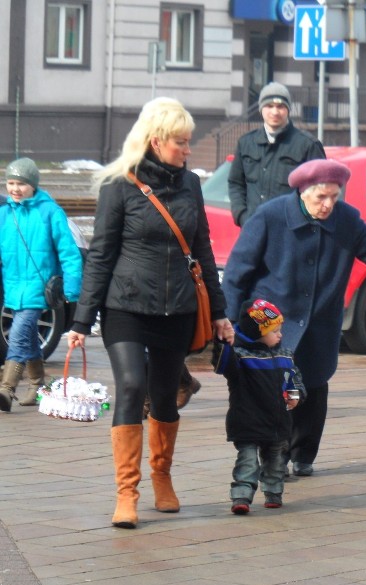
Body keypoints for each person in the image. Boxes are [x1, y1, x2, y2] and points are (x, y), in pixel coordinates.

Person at [67, 97, 233, 529]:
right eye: (181, 142)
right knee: (130, 383)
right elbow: (101, 255)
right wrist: (82, 321)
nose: (187, 149)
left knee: (163, 393)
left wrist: (219, 312)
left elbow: (202, 251)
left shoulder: (191, 186)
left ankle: (162, 477)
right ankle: (127, 492)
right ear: (156, 141)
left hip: (176, 307)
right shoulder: (120, 186)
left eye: (188, 141)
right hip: (125, 305)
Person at [222, 158, 366, 478]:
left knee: (314, 387)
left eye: (334, 196)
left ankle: (303, 454)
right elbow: (236, 272)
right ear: (302, 192)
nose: (328, 204)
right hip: (270, 318)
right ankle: (275, 455)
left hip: (319, 322)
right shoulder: (270, 216)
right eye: (321, 197)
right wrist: (230, 321)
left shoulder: (347, 219)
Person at [0, 158, 83, 411]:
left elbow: (69, 252)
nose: (14, 189)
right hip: (13, 286)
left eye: (21, 184)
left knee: (18, 333)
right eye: (10, 183)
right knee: (28, 336)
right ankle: (38, 384)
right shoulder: (5, 213)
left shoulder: (50, 212)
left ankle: (6, 389)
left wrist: (72, 289)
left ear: (33, 185)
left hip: (39, 286)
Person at [212, 298, 305, 515]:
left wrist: (295, 396)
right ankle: (241, 496)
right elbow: (222, 365)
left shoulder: (285, 355)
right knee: (247, 462)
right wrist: (223, 343)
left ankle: (274, 493)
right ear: (258, 333)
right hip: (247, 422)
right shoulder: (240, 357)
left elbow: (295, 379)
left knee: (276, 462)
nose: (280, 335)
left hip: (277, 422)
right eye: (275, 331)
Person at [228, 81, 326, 227]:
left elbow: (321, 190)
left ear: (288, 110)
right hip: (254, 229)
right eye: (269, 106)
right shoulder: (246, 143)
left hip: (291, 233)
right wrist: (241, 215)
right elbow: (235, 184)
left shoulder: (308, 145)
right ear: (261, 109)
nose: (275, 112)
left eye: (280, 106)